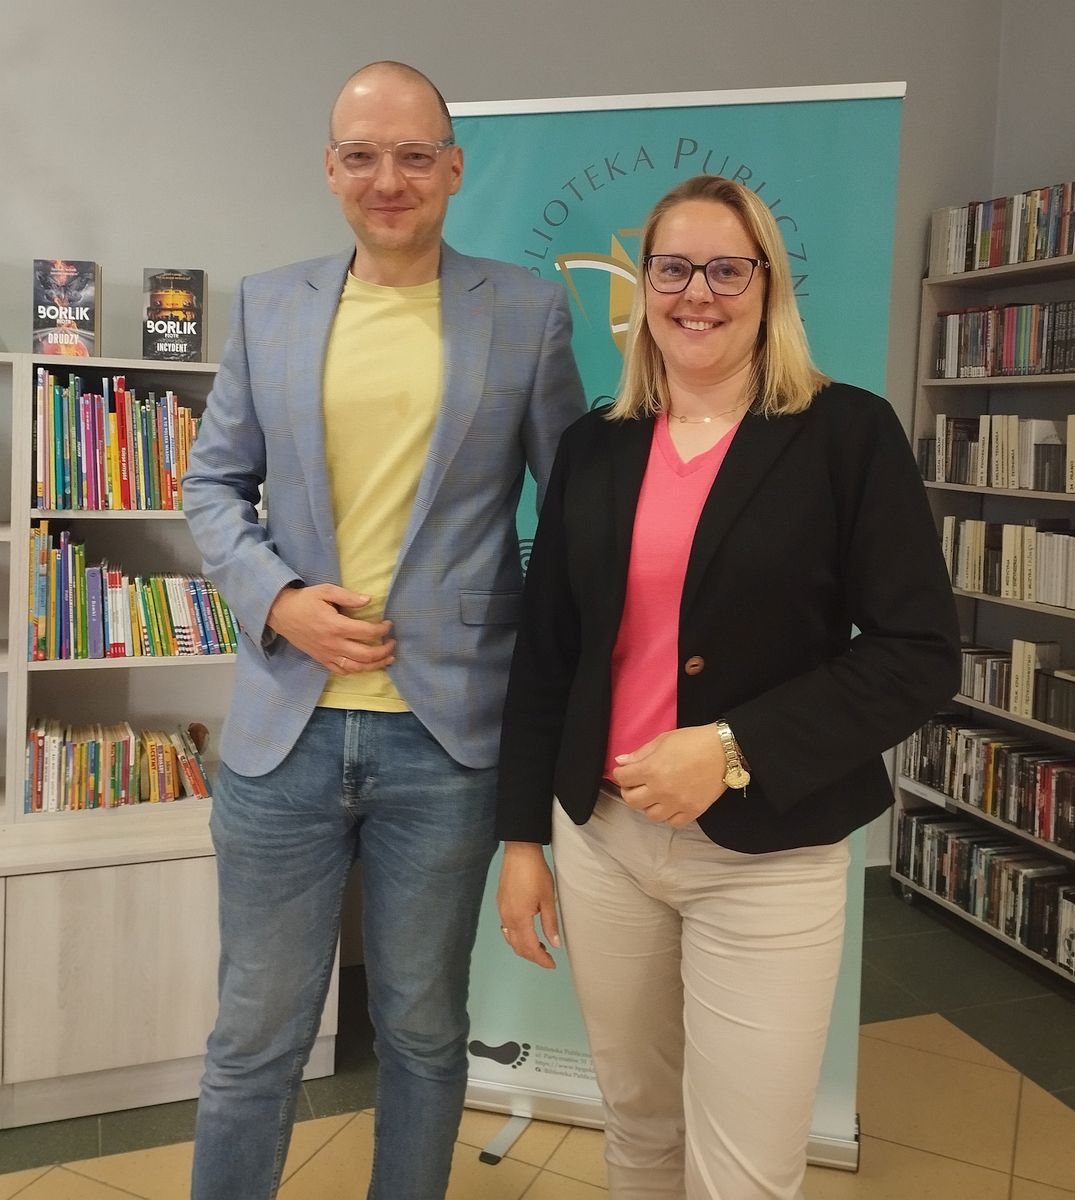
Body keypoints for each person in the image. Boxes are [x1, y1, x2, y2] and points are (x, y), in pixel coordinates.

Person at [495, 174, 961, 1200]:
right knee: (638, 1129)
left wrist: (730, 747)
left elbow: (918, 652)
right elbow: (548, 655)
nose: (695, 293)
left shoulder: (845, 433)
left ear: (766, 285)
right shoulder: (594, 445)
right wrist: (522, 839)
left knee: (744, 1170)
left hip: (769, 855)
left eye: (725, 270)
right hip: (602, 842)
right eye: (671, 269)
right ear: (642, 286)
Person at [182, 60, 585, 1200]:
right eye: (361, 155)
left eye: (413, 156)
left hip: (447, 739)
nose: (387, 179)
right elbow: (212, 487)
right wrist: (278, 599)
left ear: (454, 169)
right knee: (254, 1035)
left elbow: (572, 514)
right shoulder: (269, 304)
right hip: (284, 735)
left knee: (421, 1027)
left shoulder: (525, 311)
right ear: (330, 169)